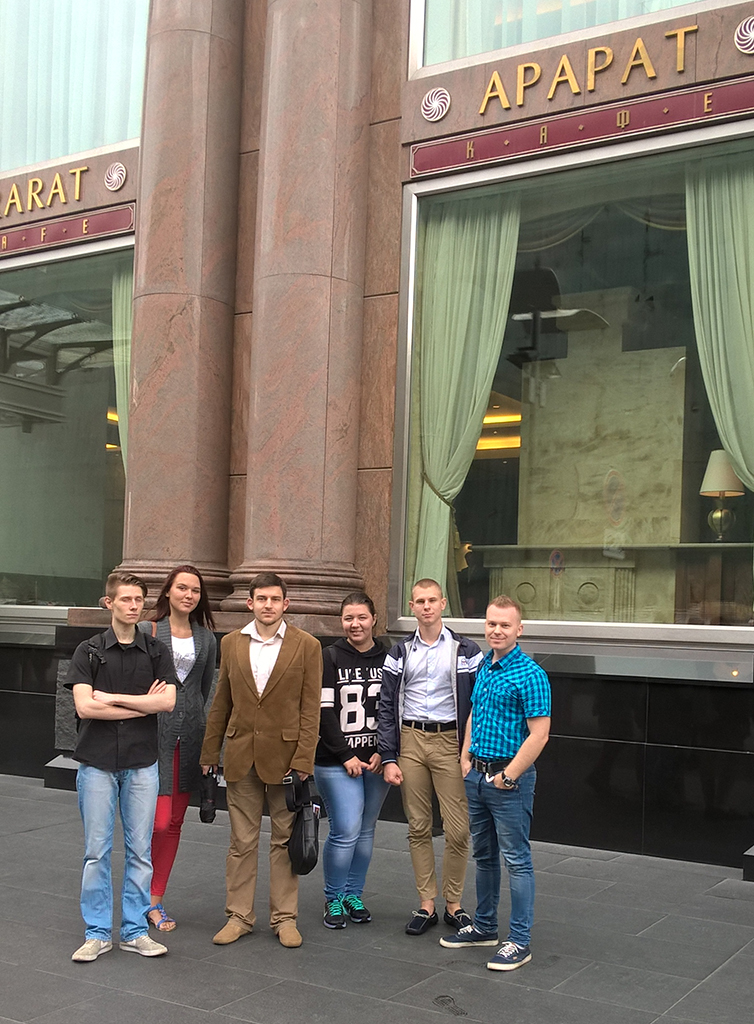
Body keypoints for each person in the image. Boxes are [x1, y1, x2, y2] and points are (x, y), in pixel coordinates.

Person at [200, 572, 322, 948]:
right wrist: (210, 752)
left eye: (275, 599)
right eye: (261, 599)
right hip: (240, 756)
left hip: (287, 760)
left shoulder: (307, 645)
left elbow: (310, 708)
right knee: (241, 841)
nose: (268, 605)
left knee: (284, 840)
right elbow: (221, 701)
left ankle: (284, 918)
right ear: (249, 603)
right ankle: (238, 916)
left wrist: (304, 760)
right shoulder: (231, 643)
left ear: (286, 603)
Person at [66, 571, 177, 963]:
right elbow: (85, 707)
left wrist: (111, 698)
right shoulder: (88, 651)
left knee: (140, 851)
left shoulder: (156, 651)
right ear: (109, 603)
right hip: (96, 763)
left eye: (138, 600)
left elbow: (167, 703)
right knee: (96, 852)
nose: (133, 606)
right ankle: (97, 933)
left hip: (142, 763)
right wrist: (141, 705)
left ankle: (133, 931)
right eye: (126, 599)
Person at [439, 595, 550, 971]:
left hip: (508, 782)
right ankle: (485, 927)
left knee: (516, 860)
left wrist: (508, 776)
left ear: (519, 629)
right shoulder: (485, 664)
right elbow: (475, 713)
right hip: (477, 776)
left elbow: (540, 735)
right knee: (484, 856)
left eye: (505, 625)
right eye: (491, 624)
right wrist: (465, 758)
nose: (497, 630)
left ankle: (519, 941)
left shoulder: (531, 674)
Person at [378, 578, 483, 936]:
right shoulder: (399, 652)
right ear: (412, 606)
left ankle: (454, 904)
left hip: (451, 741)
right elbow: (386, 705)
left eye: (432, 600)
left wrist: (469, 750)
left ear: (443, 604)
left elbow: (479, 704)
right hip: (410, 740)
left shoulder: (466, 650)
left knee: (458, 829)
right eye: (420, 601)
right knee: (418, 826)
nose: (426, 606)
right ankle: (426, 904)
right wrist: (388, 756)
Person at [137, 565, 217, 932]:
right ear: (168, 591)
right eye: (182, 588)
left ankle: (154, 900)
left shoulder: (207, 639)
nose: (189, 595)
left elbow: (204, 689)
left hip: (191, 738)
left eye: (195, 590)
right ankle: (136, 893)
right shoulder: (148, 630)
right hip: (153, 737)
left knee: (173, 823)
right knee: (155, 821)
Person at [314, 592, 390, 928]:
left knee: (366, 829)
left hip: (376, 760)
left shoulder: (389, 657)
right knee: (345, 829)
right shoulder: (329, 656)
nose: (355, 624)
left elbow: (394, 708)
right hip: (335, 761)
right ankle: (333, 897)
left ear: (374, 619)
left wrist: (384, 752)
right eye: (348, 618)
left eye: (361, 617)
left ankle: (352, 894)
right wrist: (346, 754)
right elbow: (324, 711)